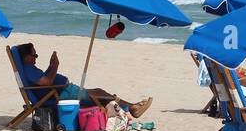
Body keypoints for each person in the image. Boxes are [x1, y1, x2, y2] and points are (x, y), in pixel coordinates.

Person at [15, 43, 152, 117]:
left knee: (99, 92)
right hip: (61, 93)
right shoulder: (28, 69)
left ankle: (130, 106)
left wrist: (52, 66)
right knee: (100, 95)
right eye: (34, 54)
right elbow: (47, 82)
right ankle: (132, 108)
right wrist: (54, 65)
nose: (36, 57)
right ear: (26, 56)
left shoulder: (29, 69)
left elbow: (45, 80)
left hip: (62, 90)